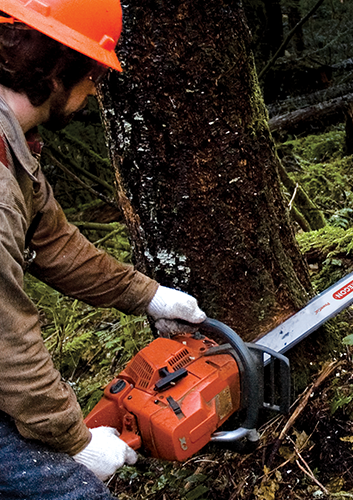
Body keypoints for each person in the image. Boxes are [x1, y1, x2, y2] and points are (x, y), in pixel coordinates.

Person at [0, 0, 206, 498]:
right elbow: (6, 340)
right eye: (91, 70)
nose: (94, 88)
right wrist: (75, 442)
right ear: (55, 63)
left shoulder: (12, 145)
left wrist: (150, 296)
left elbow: (52, 244)